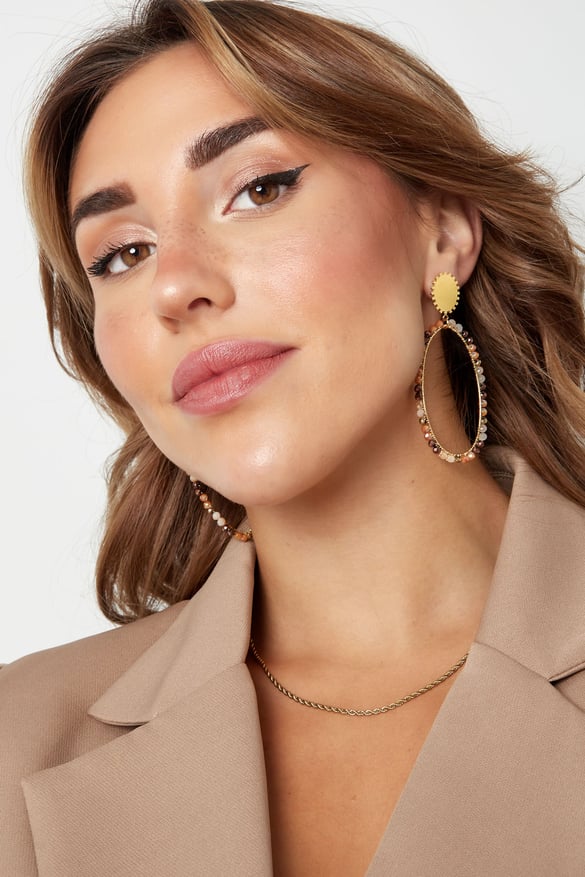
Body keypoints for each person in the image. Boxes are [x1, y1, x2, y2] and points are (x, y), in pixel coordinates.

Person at [1, 0, 584, 874]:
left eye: (258, 188)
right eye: (123, 253)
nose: (176, 288)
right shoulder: (19, 740)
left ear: (442, 233)